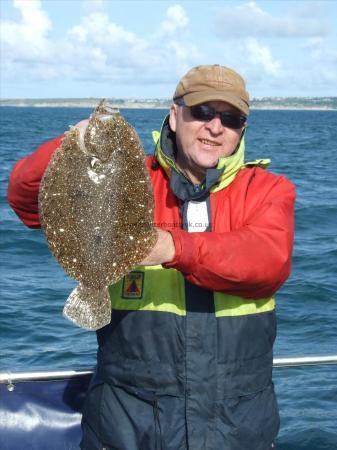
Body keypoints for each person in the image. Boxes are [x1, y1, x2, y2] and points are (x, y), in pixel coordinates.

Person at [8, 64, 295, 450]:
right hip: (125, 428)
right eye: (202, 112)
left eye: (230, 118)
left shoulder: (266, 189)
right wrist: (70, 145)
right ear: (175, 116)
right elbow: (26, 202)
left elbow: (267, 260)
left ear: (242, 129)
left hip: (237, 430)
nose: (215, 126)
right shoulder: (127, 176)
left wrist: (171, 247)